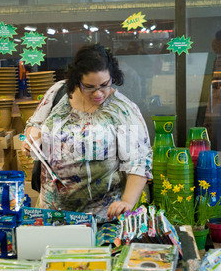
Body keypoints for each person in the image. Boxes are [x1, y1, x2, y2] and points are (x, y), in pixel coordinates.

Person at [22, 43, 152, 222]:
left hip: (100, 220)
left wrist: (127, 202)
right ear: (77, 80)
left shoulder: (122, 111)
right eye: (89, 87)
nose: (98, 93)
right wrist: (33, 139)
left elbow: (139, 163)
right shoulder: (58, 92)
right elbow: (35, 125)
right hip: (50, 216)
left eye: (104, 85)